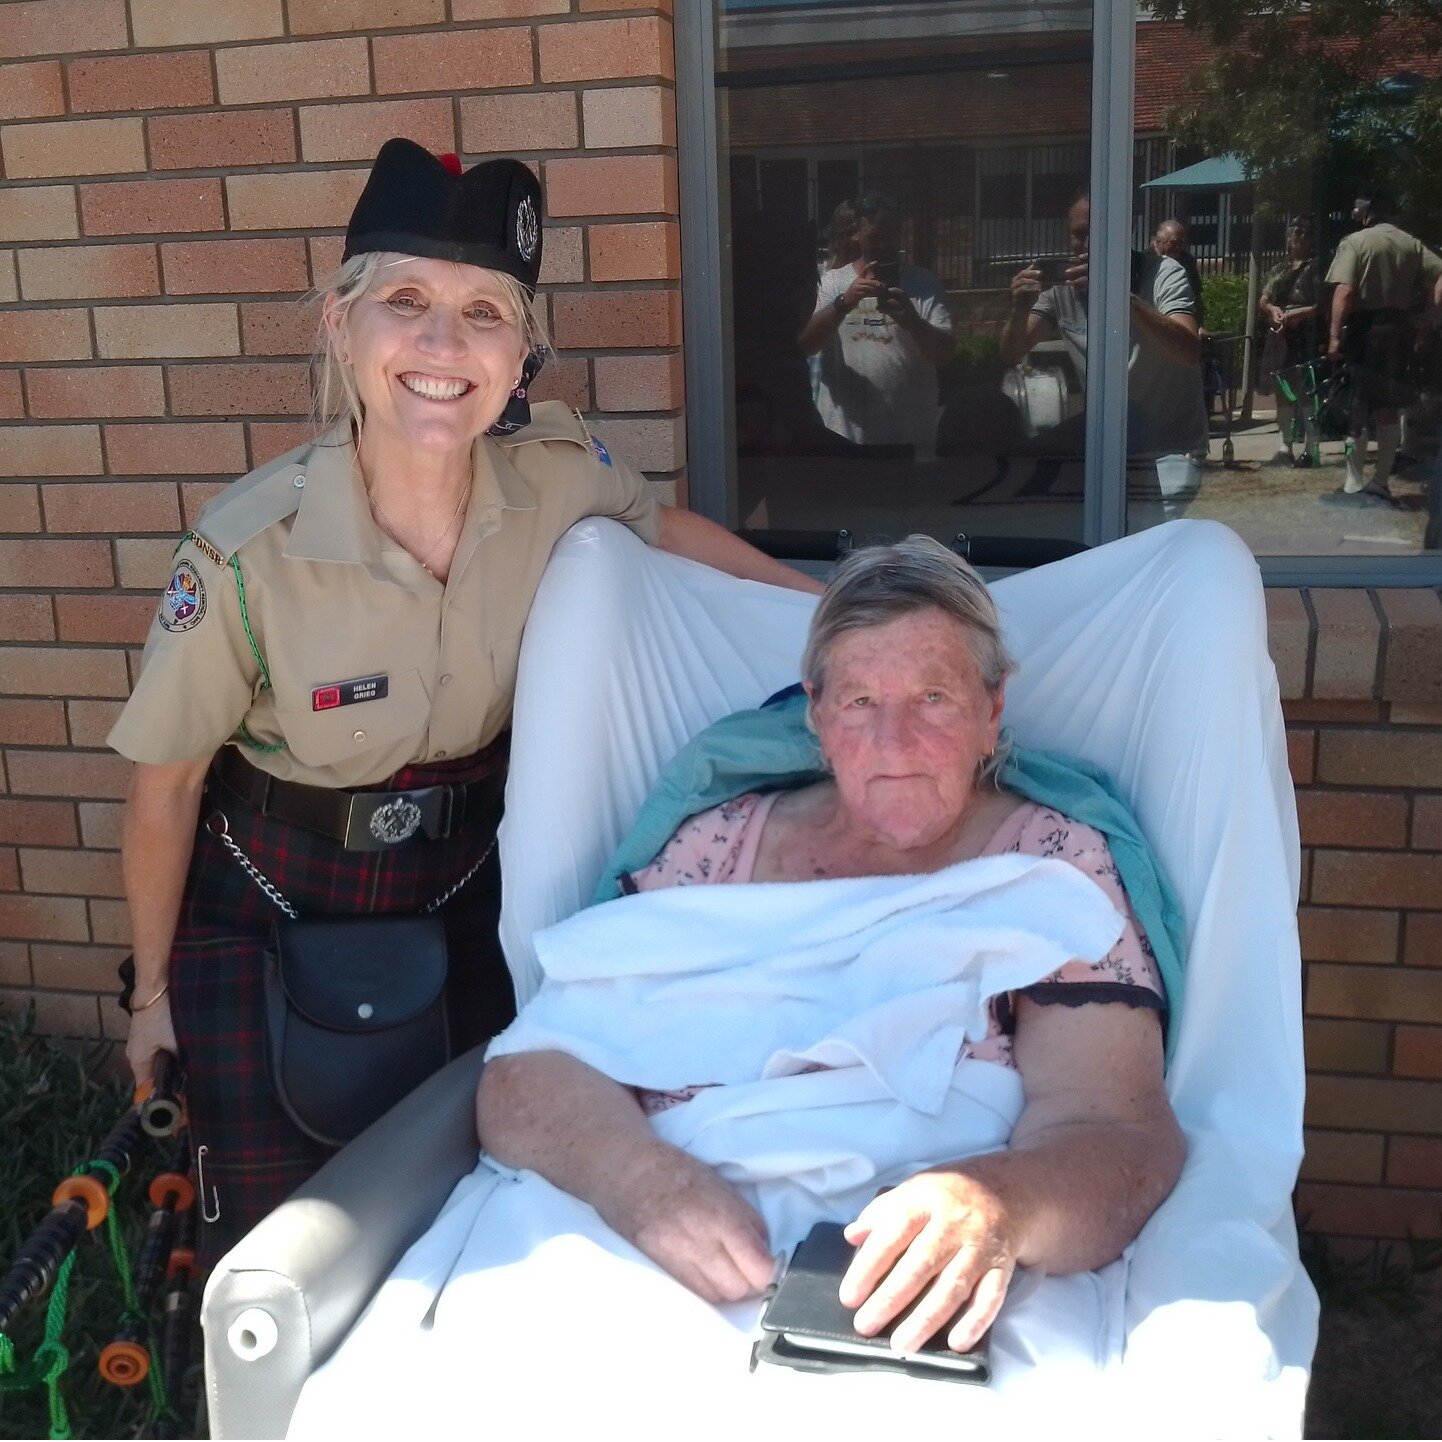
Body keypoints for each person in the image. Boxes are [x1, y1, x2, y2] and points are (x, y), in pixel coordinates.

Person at [287, 536, 1185, 1436]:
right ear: (817, 718)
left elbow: (1113, 1130)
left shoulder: (1054, 864)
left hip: (908, 1259)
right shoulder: (719, 846)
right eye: (862, 701)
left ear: (994, 713)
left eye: (935, 699)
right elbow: (534, 1073)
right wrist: (639, 1181)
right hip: (652, 1224)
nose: (894, 740)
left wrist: (999, 1206)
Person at [110, 137, 820, 1258]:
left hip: (465, 889)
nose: (443, 345)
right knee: (276, 1249)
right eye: (405, 301)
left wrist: (827, 614)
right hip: (269, 905)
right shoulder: (249, 551)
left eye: (485, 312)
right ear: (341, 327)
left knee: (478, 1209)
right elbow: (166, 790)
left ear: (521, 353)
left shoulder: (556, 478)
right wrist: (148, 994)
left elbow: (667, 528)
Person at [1000, 194, 1207, 515]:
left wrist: (1121, 295)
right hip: (1107, 447)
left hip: (1169, 447)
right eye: (1077, 234)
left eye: (1093, 234)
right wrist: (1018, 309)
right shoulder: (1064, 290)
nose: (1083, 245)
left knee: (1147, 525)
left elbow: (1188, 351)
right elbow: (1012, 351)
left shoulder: (1163, 272)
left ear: (1124, 230)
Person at [797, 193, 954, 459]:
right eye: (876, 237)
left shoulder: (924, 284)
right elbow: (805, 346)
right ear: (857, 235)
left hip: (911, 441)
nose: (884, 246)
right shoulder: (833, 282)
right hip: (845, 440)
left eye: (890, 237)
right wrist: (844, 302)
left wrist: (913, 322)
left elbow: (945, 355)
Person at [1323, 191, 1442, 507]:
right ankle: (1381, 481)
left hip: (1366, 332)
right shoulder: (1410, 243)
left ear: (1366, 214)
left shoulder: (1356, 241)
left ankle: (1352, 482)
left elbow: (1345, 291)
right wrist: (1429, 317)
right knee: (1388, 408)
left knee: (1356, 408)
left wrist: (1334, 336)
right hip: (1399, 331)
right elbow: (1441, 274)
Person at [1259, 216, 1323, 466]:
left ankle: (1312, 448)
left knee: (1306, 391)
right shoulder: (1279, 269)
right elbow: (1263, 300)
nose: (1300, 239)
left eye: (1305, 235)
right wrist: (1273, 310)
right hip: (1279, 333)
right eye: (1296, 234)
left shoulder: (1316, 268)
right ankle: (1285, 447)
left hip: (1304, 334)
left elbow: (1321, 304)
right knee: (1282, 391)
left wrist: (1296, 314)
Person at [1152, 218, 1206, 330]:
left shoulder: (1187, 261)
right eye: (1173, 243)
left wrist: (1200, 326)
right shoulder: (1146, 261)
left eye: (1181, 243)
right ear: (1158, 242)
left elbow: (1197, 297)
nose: (1178, 248)